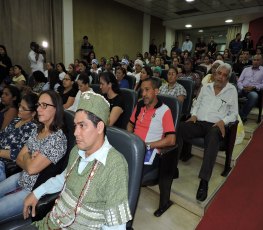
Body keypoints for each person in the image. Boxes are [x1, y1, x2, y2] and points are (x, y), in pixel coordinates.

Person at [23, 91, 132, 229]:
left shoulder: (115, 165)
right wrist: (37, 192)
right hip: (49, 223)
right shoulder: (77, 151)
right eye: (75, 125)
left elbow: (116, 225)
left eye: (82, 125)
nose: (75, 133)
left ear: (99, 127)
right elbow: (63, 178)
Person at [0, 90, 67, 223]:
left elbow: (31, 169)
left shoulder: (58, 139)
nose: (39, 109)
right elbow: (19, 157)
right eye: (38, 105)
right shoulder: (39, 129)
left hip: (32, 189)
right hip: (21, 177)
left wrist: (27, 157)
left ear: (56, 109)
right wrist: (29, 157)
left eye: (44, 105)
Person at [178, 63, 238, 202]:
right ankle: (172, 167)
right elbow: (197, 104)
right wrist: (193, 114)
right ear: (215, 74)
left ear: (228, 78)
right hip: (199, 123)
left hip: (215, 126)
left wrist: (223, 121)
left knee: (212, 137)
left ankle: (204, 181)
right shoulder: (206, 87)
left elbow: (234, 114)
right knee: (180, 127)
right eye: (219, 74)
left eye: (224, 75)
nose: (221, 77)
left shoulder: (231, 90)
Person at [127, 77, 176, 217]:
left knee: (131, 177)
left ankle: (127, 217)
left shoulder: (164, 111)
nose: (143, 93)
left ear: (156, 91)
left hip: (152, 154)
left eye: (147, 90)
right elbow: (130, 124)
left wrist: (149, 145)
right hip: (135, 148)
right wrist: (131, 139)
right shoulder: (139, 105)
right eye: (142, 90)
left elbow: (171, 139)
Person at [0, 93, 38, 182]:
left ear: (33, 113)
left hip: (6, 165)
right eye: (20, 105)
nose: (20, 109)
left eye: (24, 108)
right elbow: (2, 135)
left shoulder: (32, 128)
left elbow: (21, 153)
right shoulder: (16, 120)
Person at [237, 54, 263, 122]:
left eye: (258, 60)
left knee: (254, 96)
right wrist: (242, 88)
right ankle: (236, 113)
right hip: (242, 89)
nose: (255, 61)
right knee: (231, 93)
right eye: (254, 60)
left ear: (261, 61)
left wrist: (254, 87)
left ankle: (242, 116)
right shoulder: (246, 69)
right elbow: (239, 81)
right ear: (252, 60)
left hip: (253, 91)